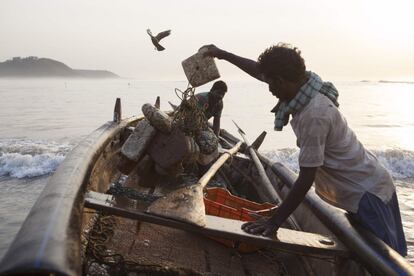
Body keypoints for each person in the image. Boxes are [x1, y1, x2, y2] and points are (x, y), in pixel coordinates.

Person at [202, 43, 407, 256]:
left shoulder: (314, 115)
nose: (269, 89)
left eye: (271, 84)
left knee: (386, 259)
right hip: (368, 185)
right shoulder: (306, 84)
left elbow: (306, 177)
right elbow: (260, 71)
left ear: (280, 81)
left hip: (367, 194)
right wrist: (223, 54)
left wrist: (275, 221)